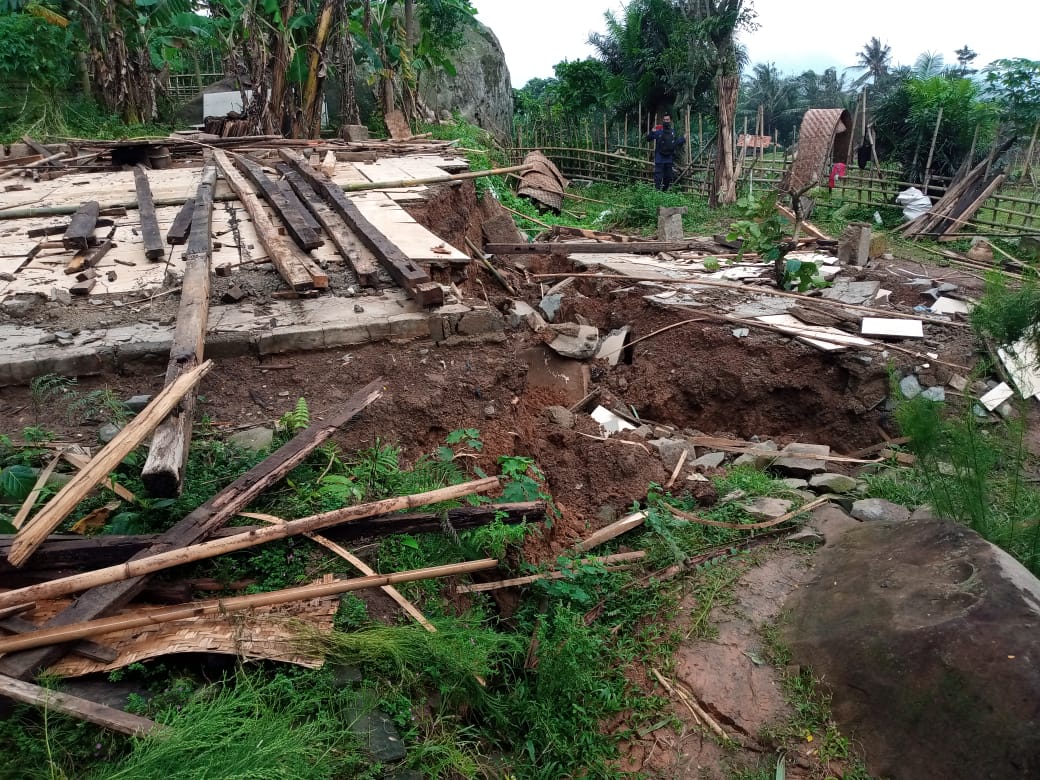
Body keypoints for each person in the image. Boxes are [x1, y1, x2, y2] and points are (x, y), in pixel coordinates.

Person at [646, 114, 686, 191]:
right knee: (658, 177)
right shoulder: (658, 131)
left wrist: (683, 139)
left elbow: (675, 143)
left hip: (669, 158)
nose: (665, 121)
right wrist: (652, 132)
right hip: (659, 158)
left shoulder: (672, 132)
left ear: (670, 120)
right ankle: (656, 193)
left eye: (667, 120)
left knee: (668, 177)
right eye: (664, 120)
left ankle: (664, 192)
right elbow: (648, 139)